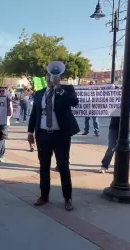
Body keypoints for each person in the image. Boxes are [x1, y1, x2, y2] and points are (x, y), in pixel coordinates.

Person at [27, 74, 79, 211]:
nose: (51, 78)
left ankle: (68, 198)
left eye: (55, 76)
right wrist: (30, 132)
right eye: (49, 75)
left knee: (63, 165)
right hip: (43, 135)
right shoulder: (39, 94)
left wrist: (59, 88)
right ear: (45, 78)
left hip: (61, 135)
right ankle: (44, 195)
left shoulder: (67, 90)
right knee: (44, 166)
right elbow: (34, 114)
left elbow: (74, 102)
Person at [100, 87, 130, 174]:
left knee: (125, 149)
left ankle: (121, 168)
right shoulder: (114, 99)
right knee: (112, 146)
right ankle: (105, 165)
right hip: (114, 125)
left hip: (128, 126)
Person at [0, 87, 13, 163]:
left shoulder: (8, 100)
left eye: (3, 91)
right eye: (0, 91)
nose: (1, 92)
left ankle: (1, 156)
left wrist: (8, 104)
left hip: (5, 123)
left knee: (2, 139)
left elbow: (10, 114)